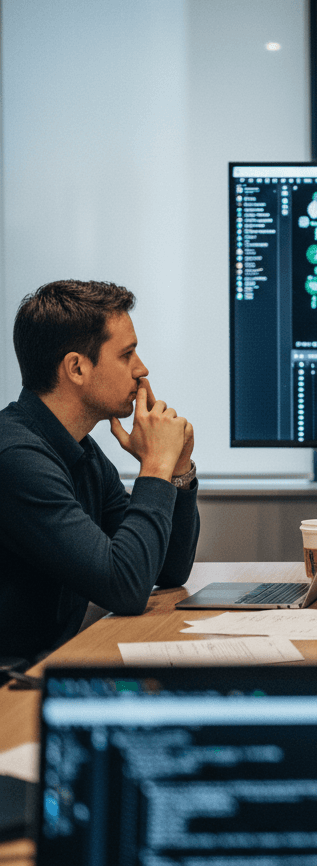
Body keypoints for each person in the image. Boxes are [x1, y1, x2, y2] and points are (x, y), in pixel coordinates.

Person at [0, 280, 200, 664]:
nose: (142, 370)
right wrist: (154, 466)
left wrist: (178, 471)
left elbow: (169, 570)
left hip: (45, 671)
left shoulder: (81, 450)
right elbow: (125, 586)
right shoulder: (16, 458)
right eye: (127, 355)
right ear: (77, 368)